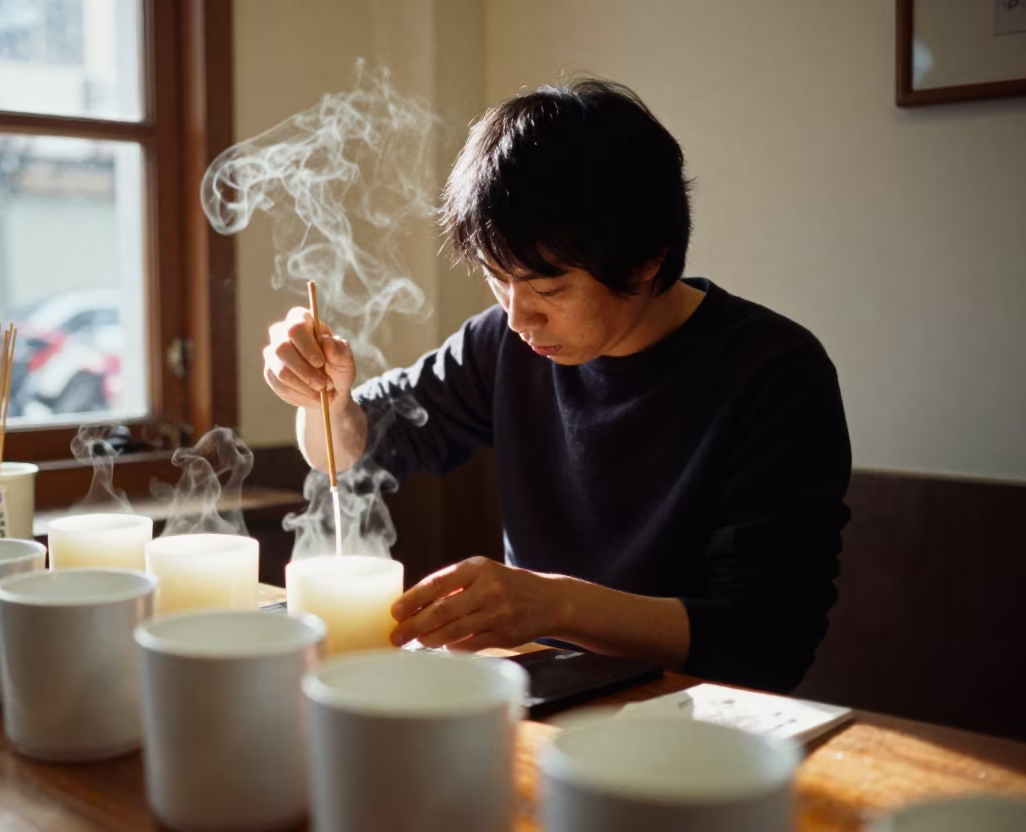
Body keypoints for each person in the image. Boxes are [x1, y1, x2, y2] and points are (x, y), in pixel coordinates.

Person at [262, 79, 851, 693]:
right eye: (497, 279)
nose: (520, 318)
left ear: (648, 259)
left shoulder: (774, 372)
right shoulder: (501, 344)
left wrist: (554, 607)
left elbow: (766, 639)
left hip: (700, 723)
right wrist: (321, 399)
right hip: (544, 702)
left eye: (549, 290)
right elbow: (364, 449)